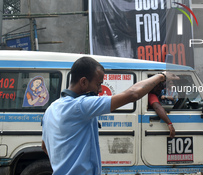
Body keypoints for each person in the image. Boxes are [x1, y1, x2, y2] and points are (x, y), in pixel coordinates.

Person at [41, 56, 177, 175]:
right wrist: (161, 76)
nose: (100, 90)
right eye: (98, 84)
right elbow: (132, 94)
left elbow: (45, 147)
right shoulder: (81, 106)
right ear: (83, 82)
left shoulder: (51, 109)